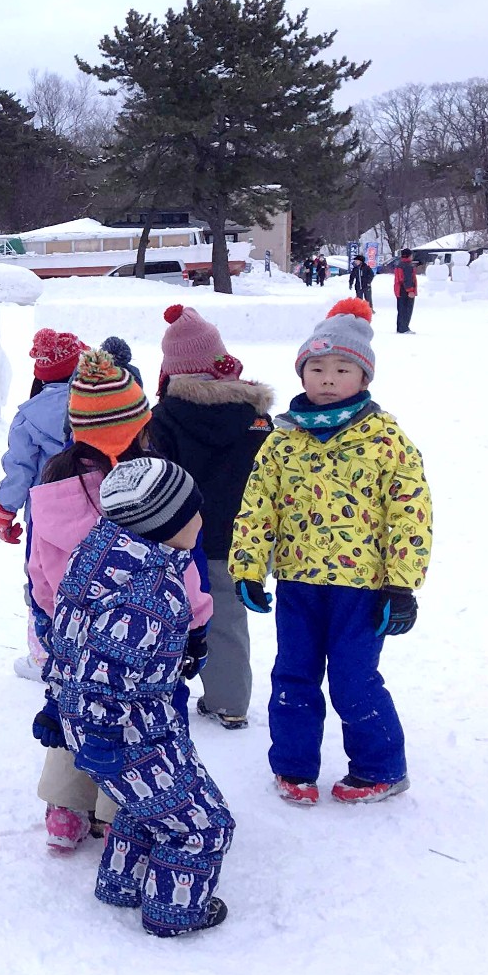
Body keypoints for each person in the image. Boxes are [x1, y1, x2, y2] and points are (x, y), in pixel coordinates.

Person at [231, 298, 433, 806]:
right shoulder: (282, 441)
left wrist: (400, 584)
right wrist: (249, 568)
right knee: (293, 675)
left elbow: (410, 511)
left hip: (360, 589)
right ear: (302, 373)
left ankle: (380, 767)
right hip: (298, 582)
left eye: (342, 369)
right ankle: (294, 767)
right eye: (316, 368)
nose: (327, 378)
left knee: (353, 678)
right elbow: (258, 506)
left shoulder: (385, 440)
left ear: (362, 378)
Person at [26, 349, 208, 852]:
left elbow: (40, 567)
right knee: (131, 718)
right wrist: (196, 625)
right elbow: (178, 567)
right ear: (140, 424)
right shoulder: (150, 488)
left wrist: (49, 615)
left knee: (72, 705)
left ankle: (64, 808)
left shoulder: (54, 484)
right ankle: (115, 811)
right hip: (139, 638)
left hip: (69, 627)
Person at [49, 456, 232, 937]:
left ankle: (121, 886)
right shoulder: (150, 592)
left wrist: (57, 705)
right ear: (165, 523)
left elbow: (67, 634)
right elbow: (106, 673)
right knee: (200, 825)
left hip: (102, 722)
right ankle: (174, 914)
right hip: (128, 732)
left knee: (145, 806)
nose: (201, 519)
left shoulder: (99, 555)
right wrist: (106, 734)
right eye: (193, 511)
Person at [149, 304, 274, 730]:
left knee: (169, 613)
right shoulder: (256, 418)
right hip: (242, 538)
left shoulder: (164, 417)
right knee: (227, 620)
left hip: (180, 536)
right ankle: (230, 702)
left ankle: (162, 690)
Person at [0, 329, 83, 546]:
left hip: (44, 508)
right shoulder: (94, 406)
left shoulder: (28, 416)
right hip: (88, 503)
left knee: (42, 567)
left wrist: (6, 509)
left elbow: (20, 467)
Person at [391, 248, 419, 334]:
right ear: (409, 256)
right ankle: (404, 328)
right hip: (405, 290)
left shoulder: (399, 264)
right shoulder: (408, 266)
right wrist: (410, 290)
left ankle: (400, 327)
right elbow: (407, 279)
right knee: (407, 309)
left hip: (399, 290)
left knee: (401, 309)